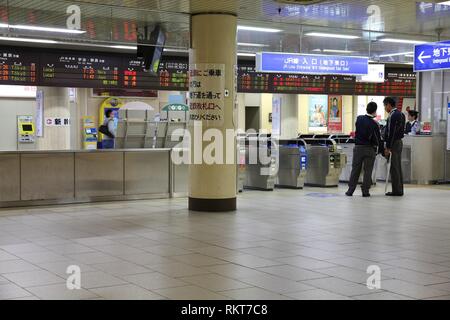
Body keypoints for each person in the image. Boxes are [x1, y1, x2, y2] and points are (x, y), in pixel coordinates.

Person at [346, 102, 383, 197]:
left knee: (355, 169)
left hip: (358, 148)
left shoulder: (359, 119)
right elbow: (377, 138)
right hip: (369, 149)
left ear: (366, 109)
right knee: (368, 170)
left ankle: (350, 190)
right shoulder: (374, 124)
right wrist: (381, 150)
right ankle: (365, 191)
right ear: (375, 111)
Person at [383, 97, 406, 196]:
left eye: (385, 105)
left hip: (394, 143)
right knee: (398, 166)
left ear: (388, 104)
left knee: (394, 167)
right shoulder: (401, 114)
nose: (385, 108)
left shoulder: (393, 115)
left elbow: (391, 132)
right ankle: (400, 189)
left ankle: (396, 190)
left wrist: (388, 146)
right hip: (399, 142)